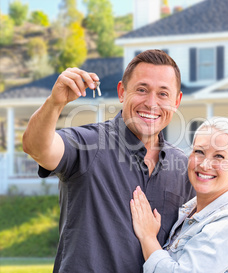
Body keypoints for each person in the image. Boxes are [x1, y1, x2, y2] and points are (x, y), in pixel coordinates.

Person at [22, 50, 195, 272]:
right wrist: (55, 103)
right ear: (122, 92)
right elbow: (36, 147)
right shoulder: (88, 144)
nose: (152, 103)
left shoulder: (183, 168)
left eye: (163, 94)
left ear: (176, 101)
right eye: (142, 90)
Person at [130, 117, 228, 272]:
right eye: (199, 152)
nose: (204, 164)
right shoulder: (189, 211)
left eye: (219, 156)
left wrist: (148, 237)